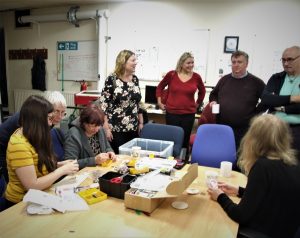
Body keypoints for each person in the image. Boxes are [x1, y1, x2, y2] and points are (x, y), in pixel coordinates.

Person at [207, 114, 300, 238]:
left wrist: (220, 196)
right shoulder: (291, 163)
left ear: (253, 139)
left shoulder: (262, 166)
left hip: (260, 232)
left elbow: (240, 215)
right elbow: (271, 195)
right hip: (282, 229)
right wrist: (239, 191)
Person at [1, 95, 78, 212]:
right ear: (37, 119)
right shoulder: (18, 144)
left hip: (38, 197)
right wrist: (61, 171)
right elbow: (32, 185)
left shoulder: (34, 135)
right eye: (48, 118)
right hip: (19, 204)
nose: (50, 123)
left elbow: (36, 164)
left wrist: (59, 165)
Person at [0, 91, 67, 185]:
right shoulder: (22, 129)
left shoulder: (45, 120)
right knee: (15, 179)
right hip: (3, 146)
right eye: (57, 111)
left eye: (63, 112)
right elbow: (21, 148)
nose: (60, 117)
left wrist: (56, 165)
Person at [209, 50, 265, 154]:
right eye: (233, 62)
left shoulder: (256, 82)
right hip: (223, 127)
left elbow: (267, 100)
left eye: (239, 62)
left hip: (244, 130)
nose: (236, 65)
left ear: (246, 64)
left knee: (241, 156)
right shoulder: (224, 80)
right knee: (222, 154)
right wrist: (213, 101)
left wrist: (255, 114)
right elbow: (213, 94)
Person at [156, 52, 206, 162]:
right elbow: (159, 87)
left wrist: (197, 104)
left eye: (192, 63)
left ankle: (183, 162)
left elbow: (202, 92)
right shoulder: (172, 75)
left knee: (185, 139)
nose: (191, 65)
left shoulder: (196, 77)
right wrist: (160, 102)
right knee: (172, 138)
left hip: (188, 114)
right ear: (182, 63)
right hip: (172, 113)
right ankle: (170, 160)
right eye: (188, 63)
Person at [98, 50, 143, 154]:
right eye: (133, 60)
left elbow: (138, 103)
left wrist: (141, 122)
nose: (136, 62)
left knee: (132, 157)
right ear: (123, 62)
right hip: (116, 129)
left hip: (133, 128)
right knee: (119, 159)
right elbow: (103, 105)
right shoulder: (112, 80)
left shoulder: (135, 79)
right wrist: (106, 128)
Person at [261, 46, 300, 159]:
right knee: (272, 161)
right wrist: (293, 98)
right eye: (283, 60)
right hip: (275, 128)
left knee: (293, 164)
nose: (286, 63)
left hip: (297, 130)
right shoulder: (277, 78)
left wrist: (282, 107)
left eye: (290, 59)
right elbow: (266, 99)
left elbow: (274, 101)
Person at [64, 103, 116, 169]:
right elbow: (70, 163)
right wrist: (94, 160)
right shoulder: (73, 134)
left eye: (99, 125)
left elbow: (107, 147)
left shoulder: (99, 128)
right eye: (93, 126)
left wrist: (110, 152)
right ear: (84, 123)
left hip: (101, 169)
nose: (97, 129)